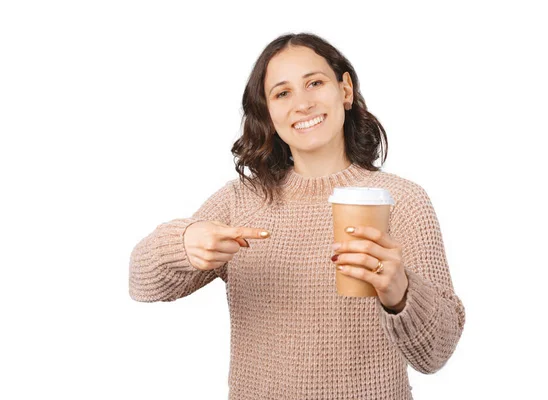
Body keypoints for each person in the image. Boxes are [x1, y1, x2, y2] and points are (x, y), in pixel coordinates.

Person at [129, 32, 466, 400]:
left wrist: (399, 293)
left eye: (315, 83)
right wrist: (183, 243)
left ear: (346, 90)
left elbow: (436, 354)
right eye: (282, 93)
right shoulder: (241, 202)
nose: (302, 104)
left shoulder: (403, 201)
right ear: (269, 114)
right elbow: (140, 283)